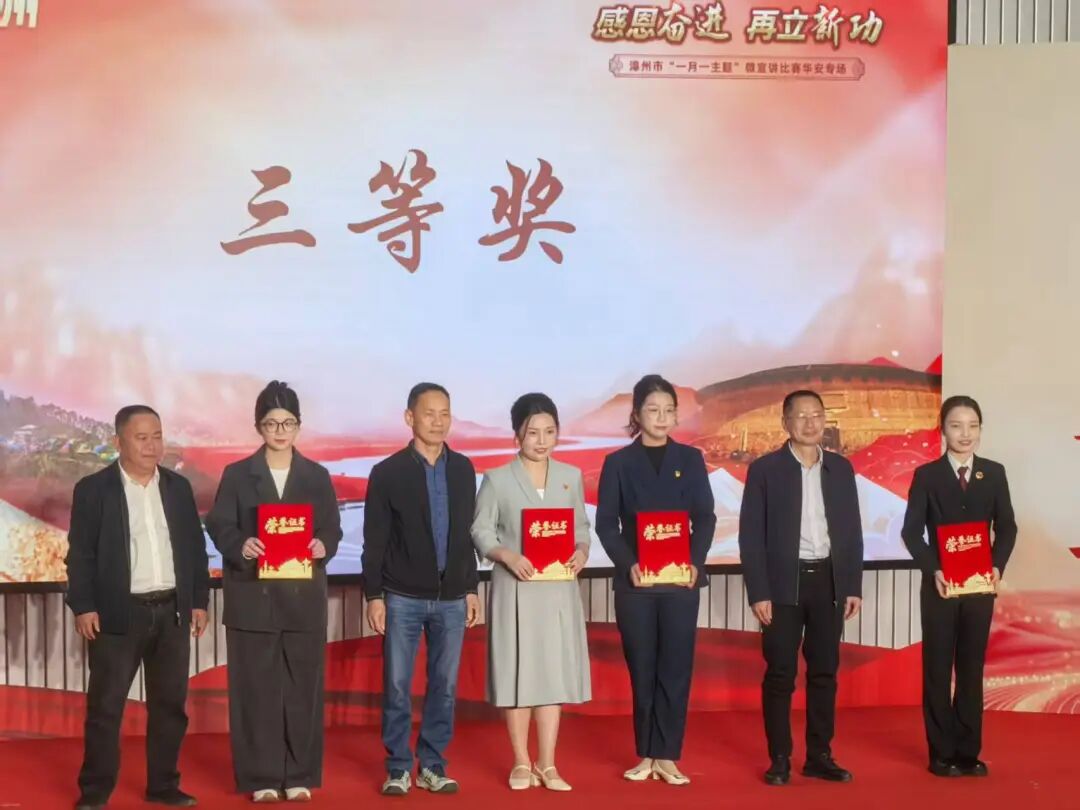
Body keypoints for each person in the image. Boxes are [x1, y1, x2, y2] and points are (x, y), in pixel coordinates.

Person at [65, 405, 209, 810]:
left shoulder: (178, 487)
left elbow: (194, 550)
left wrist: (198, 601)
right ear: (118, 442)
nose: (152, 446)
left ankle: (163, 785)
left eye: (157, 436)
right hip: (118, 614)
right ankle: (95, 791)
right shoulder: (94, 489)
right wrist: (83, 605)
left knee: (170, 706)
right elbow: (81, 554)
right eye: (141, 437)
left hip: (172, 612)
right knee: (106, 707)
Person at [205, 381, 342, 803]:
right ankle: (260, 777)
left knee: (303, 691)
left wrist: (323, 545)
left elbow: (332, 529)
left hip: (303, 601)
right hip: (252, 598)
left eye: (288, 423)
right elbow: (218, 524)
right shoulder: (237, 474)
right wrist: (239, 544)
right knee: (255, 692)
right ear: (258, 426)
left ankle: (299, 774)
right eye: (271, 423)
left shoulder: (316, 476)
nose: (280, 431)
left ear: (299, 425)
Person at [595, 374, 716, 786]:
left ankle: (667, 755)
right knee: (642, 667)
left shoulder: (691, 460)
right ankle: (646, 753)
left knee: (676, 668)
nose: (661, 417)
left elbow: (705, 517)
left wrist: (696, 561)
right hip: (637, 585)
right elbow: (606, 524)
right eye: (653, 409)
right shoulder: (618, 463)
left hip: (681, 582)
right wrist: (627, 562)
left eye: (668, 410)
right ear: (637, 414)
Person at [738, 389, 863, 786]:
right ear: (785, 423)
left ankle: (819, 755)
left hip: (828, 581)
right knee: (780, 673)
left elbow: (851, 531)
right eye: (801, 416)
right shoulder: (766, 470)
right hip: (782, 585)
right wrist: (759, 591)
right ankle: (779, 757)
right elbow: (750, 536)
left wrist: (852, 584)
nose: (810, 423)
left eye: (817, 415)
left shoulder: (840, 468)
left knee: (825, 671)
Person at [362, 383, 481, 796]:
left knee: (444, 687)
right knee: (397, 685)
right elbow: (374, 541)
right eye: (429, 413)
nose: (438, 421)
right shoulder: (387, 472)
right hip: (402, 597)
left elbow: (466, 535)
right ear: (409, 418)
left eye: (445, 413)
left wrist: (471, 587)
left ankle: (432, 764)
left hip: (452, 599)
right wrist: (374, 596)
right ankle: (397, 766)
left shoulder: (463, 469)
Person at [471, 393, 591, 791]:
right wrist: (505, 554)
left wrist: (581, 552)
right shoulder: (498, 479)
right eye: (533, 432)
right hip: (516, 587)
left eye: (549, 432)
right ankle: (521, 761)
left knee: (552, 671)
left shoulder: (570, 476)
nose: (542, 440)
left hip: (557, 589)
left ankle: (548, 763)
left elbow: (581, 527)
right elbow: (480, 529)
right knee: (518, 671)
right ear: (517, 436)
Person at [901, 395, 1017, 778]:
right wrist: (933, 569)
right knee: (937, 668)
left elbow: (1007, 527)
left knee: (970, 667)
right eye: (956, 425)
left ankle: (968, 751)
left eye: (972, 426)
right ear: (943, 430)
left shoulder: (994, 473)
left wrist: (997, 566)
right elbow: (911, 532)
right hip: (940, 587)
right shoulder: (927, 475)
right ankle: (941, 752)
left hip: (980, 586)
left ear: (980, 430)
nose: (965, 434)